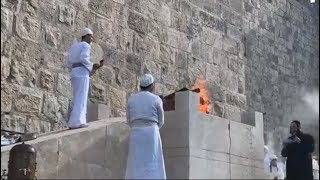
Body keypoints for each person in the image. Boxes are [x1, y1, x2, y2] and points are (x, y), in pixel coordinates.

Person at [125, 74, 166, 179]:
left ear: (140, 86)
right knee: (153, 159)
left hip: (135, 132)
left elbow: (129, 120)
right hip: (151, 132)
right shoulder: (156, 99)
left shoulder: (131, 99)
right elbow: (161, 121)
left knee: (135, 160)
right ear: (152, 86)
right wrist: (153, 127)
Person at [66, 28, 104, 129]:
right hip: (82, 74)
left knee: (76, 97)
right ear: (85, 36)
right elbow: (84, 58)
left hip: (74, 73)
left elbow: (69, 62)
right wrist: (93, 66)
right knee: (81, 98)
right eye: (90, 36)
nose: (92, 38)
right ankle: (78, 122)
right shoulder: (85, 45)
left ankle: (73, 121)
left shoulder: (74, 47)